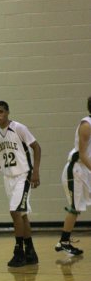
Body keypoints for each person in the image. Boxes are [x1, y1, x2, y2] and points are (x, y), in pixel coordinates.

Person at [0, 101, 41, 267]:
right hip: (8, 177)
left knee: (15, 211)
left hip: (23, 175)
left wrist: (36, 171)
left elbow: (37, 148)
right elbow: (0, 157)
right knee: (22, 215)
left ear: (8, 113)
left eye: (1, 112)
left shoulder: (19, 128)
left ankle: (19, 251)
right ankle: (30, 252)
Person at [54, 96, 91, 256]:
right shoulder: (86, 125)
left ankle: (64, 241)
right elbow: (82, 154)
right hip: (76, 170)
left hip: (85, 170)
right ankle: (63, 242)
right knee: (75, 208)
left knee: (77, 208)